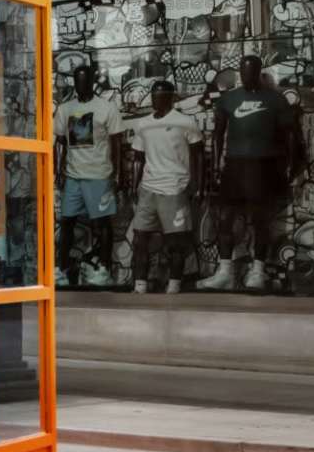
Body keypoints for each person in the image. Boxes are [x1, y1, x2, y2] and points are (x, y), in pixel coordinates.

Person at [210, 52, 302, 292]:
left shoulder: (275, 99)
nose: (246, 75)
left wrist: (293, 163)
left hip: (264, 165)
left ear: (259, 72)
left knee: (260, 220)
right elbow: (217, 134)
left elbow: (291, 134)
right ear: (240, 73)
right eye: (243, 71)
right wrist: (215, 165)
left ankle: (258, 270)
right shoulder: (228, 99)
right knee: (225, 220)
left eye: (251, 71)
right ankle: (225, 272)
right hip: (234, 165)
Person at [115, 75, 210, 291]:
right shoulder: (144, 124)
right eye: (154, 95)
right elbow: (138, 157)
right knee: (140, 239)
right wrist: (133, 186)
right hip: (148, 189)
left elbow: (198, 156)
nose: (156, 99)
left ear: (170, 97)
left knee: (176, 242)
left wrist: (198, 185)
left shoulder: (185, 121)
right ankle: (140, 286)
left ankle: (174, 286)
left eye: (161, 95)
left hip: (175, 188)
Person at [55, 58, 120, 283]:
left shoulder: (107, 108)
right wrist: (58, 171)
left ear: (92, 82)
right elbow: (61, 143)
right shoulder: (65, 109)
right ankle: (61, 268)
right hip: (74, 175)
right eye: (78, 81)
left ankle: (103, 268)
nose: (81, 84)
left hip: (99, 174)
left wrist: (118, 173)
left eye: (85, 80)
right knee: (66, 222)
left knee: (102, 224)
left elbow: (117, 143)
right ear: (74, 83)